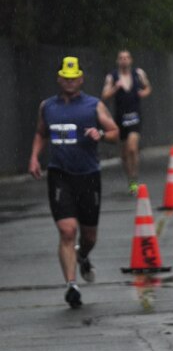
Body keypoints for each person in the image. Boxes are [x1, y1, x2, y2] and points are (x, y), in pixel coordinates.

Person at [28, 56, 119, 308]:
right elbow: (40, 133)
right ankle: (71, 285)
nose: (69, 82)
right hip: (60, 176)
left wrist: (99, 133)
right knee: (67, 231)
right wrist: (35, 157)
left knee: (89, 236)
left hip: (88, 176)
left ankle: (82, 256)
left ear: (80, 79)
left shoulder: (94, 105)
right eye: (65, 78)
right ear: (59, 79)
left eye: (74, 78)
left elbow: (114, 132)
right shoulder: (47, 106)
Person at [101, 50, 152, 194]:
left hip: (135, 116)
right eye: (121, 58)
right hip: (120, 119)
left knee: (132, 148)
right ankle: (130, 178)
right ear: (118, 61)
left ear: (131, 60)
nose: (124, 60)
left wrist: (144, 92)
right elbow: (104, 95)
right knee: (124, 154)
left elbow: (148, 87)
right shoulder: (112, 77)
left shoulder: (138, 74)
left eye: (126, 58)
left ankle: (134, 177)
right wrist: (116, 88)